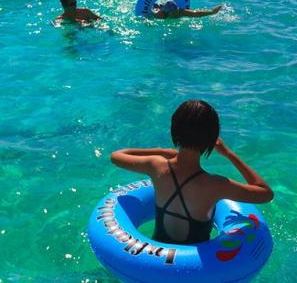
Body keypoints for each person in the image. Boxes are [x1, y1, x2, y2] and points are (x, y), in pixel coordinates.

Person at [110, 99, 273, 245]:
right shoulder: (216, 185)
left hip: (155, 261)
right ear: (211, 138)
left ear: (174, 130)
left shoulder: (156, 166)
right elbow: (265, 193)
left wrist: (162, 152)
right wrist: (229, 154)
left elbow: (117, 156)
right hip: (194, 270)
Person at [153, 1, 222, 19]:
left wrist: (212, 12)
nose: (176, 14)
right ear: (167, 13)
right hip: (160, 7)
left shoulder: (181, 12)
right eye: (174, 13)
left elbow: (196, 13)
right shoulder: (161, 15)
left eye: (176, 11)